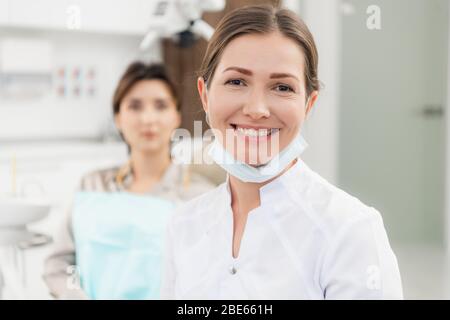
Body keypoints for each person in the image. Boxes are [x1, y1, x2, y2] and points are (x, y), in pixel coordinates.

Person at [160, 5, 403, 299]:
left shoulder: (350, 230)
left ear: (309, 105)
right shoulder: (183, 225)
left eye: (282, 87)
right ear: (205, 95)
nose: (257, 109)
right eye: (236, 82)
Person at [43, 62, 215, 299]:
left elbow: (210, 280)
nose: (148, 118)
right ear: (118, 119)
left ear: (176, 117)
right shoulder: (92, 186)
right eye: (135, 106)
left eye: (160, 106)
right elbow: (59, 265)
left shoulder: (201, 197)